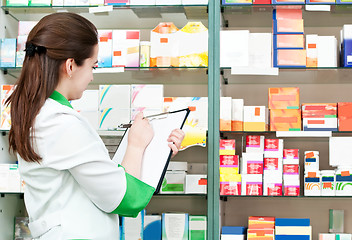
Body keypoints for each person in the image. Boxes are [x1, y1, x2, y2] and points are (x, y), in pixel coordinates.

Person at [6, 12, 185, 239]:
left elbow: (102, 180)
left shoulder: (43, 113)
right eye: (93, 66)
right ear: (70, 66)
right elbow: (125, 199)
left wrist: (156, 151)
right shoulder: (61, 123)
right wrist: (137, 146)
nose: (91, 77)